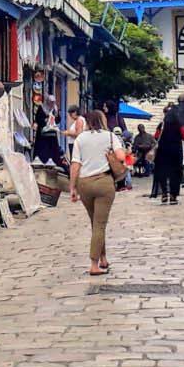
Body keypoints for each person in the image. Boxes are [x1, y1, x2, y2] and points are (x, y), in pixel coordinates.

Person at [68, 109, 122, 275]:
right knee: (100, 224)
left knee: (95, 223)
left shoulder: (80, 139)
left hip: (84, 183)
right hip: (104, 182)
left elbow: (75, 164)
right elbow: (121, 157)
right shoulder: (110, 136)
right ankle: (94, 264)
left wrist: (72, 187)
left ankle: (103, 258)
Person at [153, 107, 184, 204]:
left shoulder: (162, 125)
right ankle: (173, 195)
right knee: (175, 174)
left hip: (163, 152)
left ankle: (164, 193)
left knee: (163, 172)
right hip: (176, 152)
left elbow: (156, 136)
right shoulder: (179, 125)